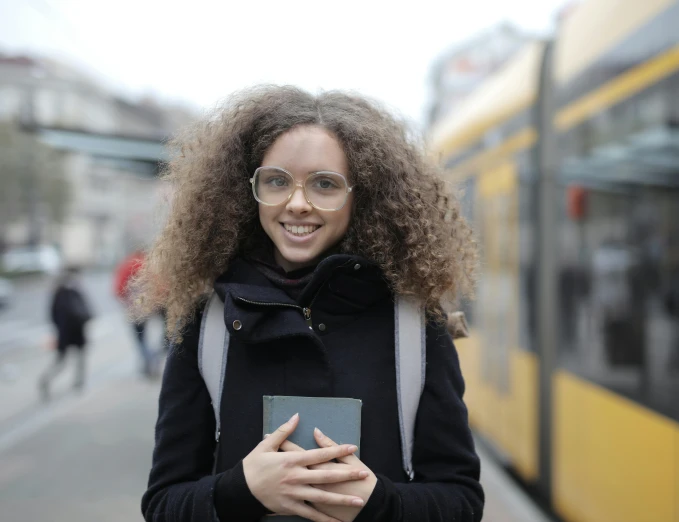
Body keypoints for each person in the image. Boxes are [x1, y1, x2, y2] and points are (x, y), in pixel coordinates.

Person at [132, 86, 483, 522]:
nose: (298, 204)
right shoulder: (207, 325)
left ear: (362, 195)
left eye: (325, 184)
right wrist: (241, 490)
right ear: (248, 190)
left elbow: (462, 502)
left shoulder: (413, 326)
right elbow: (163, 503)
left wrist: (380, 504)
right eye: (277, 181)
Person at [39, 265, 92, 400]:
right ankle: (51, 381)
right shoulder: (71, 292)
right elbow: (84, 311)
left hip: (65, 333)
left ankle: (75, 382)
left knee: (65, 360)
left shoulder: (58, 293)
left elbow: (52, 315)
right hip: (74, 332)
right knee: (72, 360)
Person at [115, 249, 162, 377]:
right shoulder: (148, 265)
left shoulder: (127, 265)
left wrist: (124, 300)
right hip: (148, 307)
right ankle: (149, 362)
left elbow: (118, 288)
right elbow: (159, 286)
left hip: (133, 308)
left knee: (139, 338)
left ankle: (149, 360)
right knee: (147, 335)